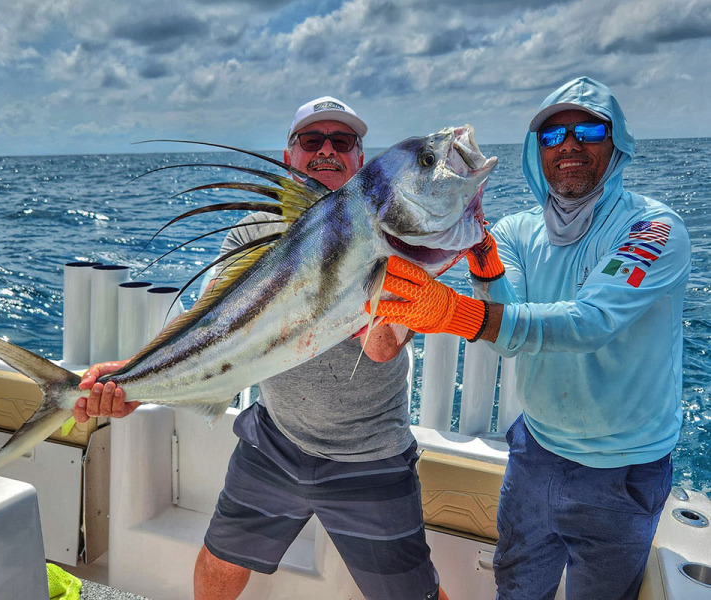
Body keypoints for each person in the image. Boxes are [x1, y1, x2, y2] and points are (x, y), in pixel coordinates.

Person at [75, 96, 447, 600]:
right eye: (311, 141)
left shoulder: (393, 231)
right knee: (218, 566)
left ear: (361, 159)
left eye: (343, 142)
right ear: (290, 154)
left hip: (370, 455)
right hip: (276, 442)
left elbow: (381, 349)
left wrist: (405, 271)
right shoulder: (257, 226)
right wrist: (135, 378)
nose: (327, 151)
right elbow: (208, 319)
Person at [369, 76, 690, 598]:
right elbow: (508, 323)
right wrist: (481, 259)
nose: (569, 144)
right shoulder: (517, 231)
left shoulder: (654, 228)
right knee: (515, 591)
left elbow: (589, 322)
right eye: (551, 135)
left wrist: (455, 312)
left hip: (623, 472)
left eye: (588, 130)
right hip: (535, 452)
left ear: (618, 143)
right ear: (534, 150)